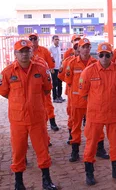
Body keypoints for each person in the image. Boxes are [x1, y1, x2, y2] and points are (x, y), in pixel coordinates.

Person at [0, 40, 57, 190]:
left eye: (27, 51)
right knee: (18, 151)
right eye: (21, 51)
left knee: (42, 150)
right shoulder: (7, 72)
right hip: (18, 120)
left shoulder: (41, 69)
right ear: (15, 53)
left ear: (32, 52)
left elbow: (47, 89)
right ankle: (19, 183)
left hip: (37, 119)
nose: (24, 54)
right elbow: (4, 93)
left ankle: (47, 181)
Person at [80, 42, 116, 185]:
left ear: (112, 56)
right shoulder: (88, 72)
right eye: (101, 55)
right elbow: (84, 94)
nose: (104, 58)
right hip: (95, 116)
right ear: (97, 55)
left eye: (107, 55)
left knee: (115, 145)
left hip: (113, 116)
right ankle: (89, 173)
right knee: (91, 145)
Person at [64, 38, 109, 162]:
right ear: (78, 48)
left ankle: (100, 149)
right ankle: (75, 151)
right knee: (75, 126)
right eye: (83, 47)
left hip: (92, 102)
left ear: (90, 49)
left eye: (87, 47)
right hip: (77, 101)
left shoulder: (96, 62)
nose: (85, 49)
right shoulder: (72, 63)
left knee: (97, 126)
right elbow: (68, 81)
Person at [29, 33, 59, 132]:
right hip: (30, 83)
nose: (33, 41)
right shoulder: (25, 51)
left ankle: (52, 121)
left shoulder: (44, 51)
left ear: (38, 39)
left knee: (47, 102)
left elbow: (51, 64)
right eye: (31, 39)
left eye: (35, 39)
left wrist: (50, 75)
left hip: (43, 81)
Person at [58, 40, 80, 144]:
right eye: (76, 47)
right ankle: (72, 137)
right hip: (73, 94)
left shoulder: (92, 62)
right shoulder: (68, 61)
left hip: (87, 96)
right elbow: (62, 76)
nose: (78, 49)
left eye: (80, 47)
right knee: (72, 115)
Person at [49, 35, 64, 103]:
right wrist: (51, 68)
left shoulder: (59, 47)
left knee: (60, 82)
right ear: (53, 40)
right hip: (53, 68)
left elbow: (59, 57)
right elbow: (49, 59)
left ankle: (59, 96)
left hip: (59, 67)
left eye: (58, 39)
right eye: (56, 39)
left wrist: (61, 65)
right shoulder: (51, 48)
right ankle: (55, 97)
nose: (57, 40)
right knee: (54, 83)